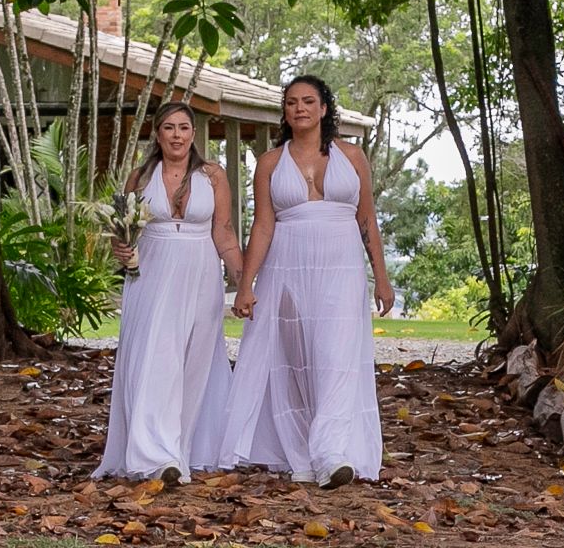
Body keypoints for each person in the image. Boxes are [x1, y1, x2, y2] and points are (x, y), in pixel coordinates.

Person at [218, 74, 392, 488]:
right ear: (285, 111)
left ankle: (332, 453)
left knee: (336, 356)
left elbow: (366, 218)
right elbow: (262, 226)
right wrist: (246, 283)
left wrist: (381, 278)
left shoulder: (352, 156)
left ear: (324, 109)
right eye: (292, 102)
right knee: (296, 359)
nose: (300, 108)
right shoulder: (270, 163)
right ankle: (301, 449)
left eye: (309, 101)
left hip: (341, 267)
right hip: (287, 268)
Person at [94, 101, 244, 485]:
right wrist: (122, 249)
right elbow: (122, 234)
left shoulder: (213, 176)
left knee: (193, 364)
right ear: (157, 134)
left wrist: (244, 280)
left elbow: (224, 232)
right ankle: (154, 456)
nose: (177, 135)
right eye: (168, 128)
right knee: (153, 360)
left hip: (200, 273)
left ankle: (181, 449)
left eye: (183, 128)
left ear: (194, 134)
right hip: (153, 275)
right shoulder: (140, 178)